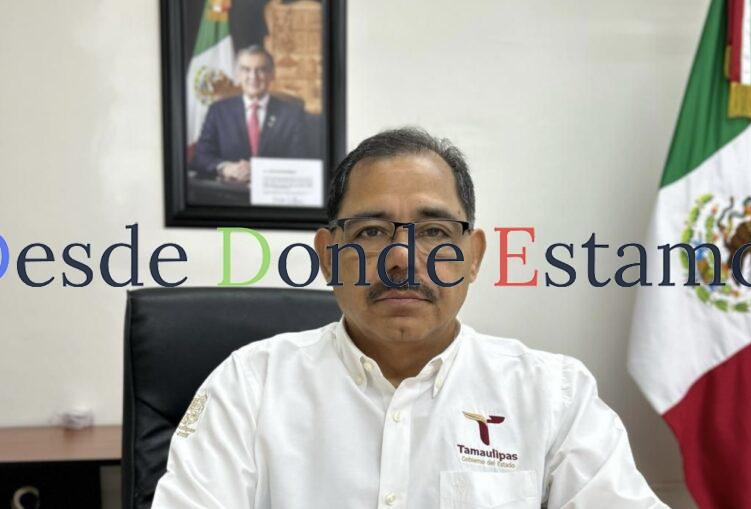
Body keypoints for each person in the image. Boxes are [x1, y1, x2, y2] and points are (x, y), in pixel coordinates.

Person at [152, 128, 669, 508]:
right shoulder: (250, 385)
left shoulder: (553, 395)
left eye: (435, 233)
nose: (400, 258)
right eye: (371, 231)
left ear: (472, 257)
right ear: (328, 255)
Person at [190, 45, 308, 183]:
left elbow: (300, 161)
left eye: (261, 70)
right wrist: (225, 168)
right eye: (246, 70)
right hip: (228, 191)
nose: (253, 77)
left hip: (274, 190)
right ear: (238, 75)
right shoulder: (218, 111)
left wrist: (259, 169)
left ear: (272, 75)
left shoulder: (292, 114)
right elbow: (201, 156)